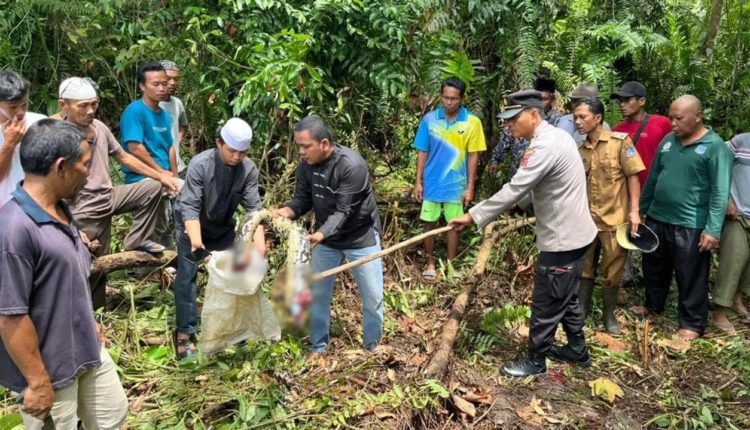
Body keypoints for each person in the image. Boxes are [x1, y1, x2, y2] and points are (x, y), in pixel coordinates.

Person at [451, 90, 597, 377]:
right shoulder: (556, 137)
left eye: (513, 119)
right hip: (576, 234)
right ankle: (577, 350)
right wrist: (519, 206)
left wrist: (473, 216)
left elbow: (516, 187)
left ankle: (536, 361)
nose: (509, 126)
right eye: (506, 121)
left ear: (533, 115)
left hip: (563, 239)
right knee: (565, 296)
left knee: (546, 299)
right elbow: (541, 186)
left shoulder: (544, 146)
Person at [0, 119, 127, 428]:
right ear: (60, 167)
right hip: (50, 369)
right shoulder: (14, 230)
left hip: (86, 350)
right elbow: (10, 315)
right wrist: (38, 382)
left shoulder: (60, 209)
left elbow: (64, 281)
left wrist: (89, 321)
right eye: (85, 164)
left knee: (113, 415)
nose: (89, 172)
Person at [55, 77, 179, 309]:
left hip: (109, 196)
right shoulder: (57, 134)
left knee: (153, 187)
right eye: (83, 106)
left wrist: (161, 175)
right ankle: (89, 314)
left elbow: (124, 157)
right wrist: (67, 221)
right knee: (93, 263)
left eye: (94, 104)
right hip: (82, 207)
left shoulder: (100, 128)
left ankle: (138, 240)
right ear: (64, 105)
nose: (90, 110)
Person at [273, 115, 383, 358]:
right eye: (299, 146)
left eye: (305, 146)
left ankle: (373, 345)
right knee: (318, 294)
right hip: (327, 240)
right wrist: (286, 212)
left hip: (360, 236)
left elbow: (344, 211)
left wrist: (320, 234)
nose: (301, 152)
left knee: (372, 296)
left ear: (324, 144)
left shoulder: (351, 166)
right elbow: (302, 199)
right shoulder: (306, 165)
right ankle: (318, 346)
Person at [632, 95, 733, 341]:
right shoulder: (668, 141)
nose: (673, 123)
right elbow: (654, 177)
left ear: (698, 116)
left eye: (679, 118)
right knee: (654, 267)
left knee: (690, 275)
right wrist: (641, 210)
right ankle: (653, 305)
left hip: (690, 223)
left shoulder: (714, 147)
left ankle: (692, 323)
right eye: (670, 117)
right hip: (657, 218)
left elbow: (720, 191)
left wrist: (713, 230)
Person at [173, 118, 266, 359]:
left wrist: (260, 246)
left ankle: (231, 328)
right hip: (192, 226)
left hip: (223, 227)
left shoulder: (248, 170)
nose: (236, 157)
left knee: (233, 272)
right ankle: (185, 332)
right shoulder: (200, 164)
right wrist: (196, 243)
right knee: (187, 276)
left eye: (242, 152)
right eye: (232, 151)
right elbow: (190, 207)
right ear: (218, 143)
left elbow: (254, 210)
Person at [574, 97, 645, 334]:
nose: (577, 121)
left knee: (612, 271)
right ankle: (581, 312)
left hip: (614, 219)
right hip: (586, 220)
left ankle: (608, 317)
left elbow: (633, 176)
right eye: (575, 117)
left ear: (598, 118)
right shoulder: (581, 148)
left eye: (582, 117)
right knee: (584, 268)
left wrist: (634, 211)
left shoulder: (620, 143)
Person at [413, 77, 486, 281]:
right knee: (429, 223)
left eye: (454, 98)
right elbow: (422, 152)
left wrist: (470, 186)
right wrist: (418, 181)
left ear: (462, 98)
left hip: (456, 184)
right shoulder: (429, 120)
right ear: (441, 96)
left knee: (454, 225)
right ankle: (430, 263)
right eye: (445, 97)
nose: (449, 102)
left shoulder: (472, 122)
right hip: (432, 183)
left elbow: (473, 156)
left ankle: (451, 266)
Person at [120, 62, 177, 248]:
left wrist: (174, 176)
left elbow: (170, 147)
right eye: (155, 84)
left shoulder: (163, 114)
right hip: (143, 179)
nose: (162, 88)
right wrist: (160, 172)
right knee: (152, 229)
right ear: (142, 86)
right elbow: (135, 147)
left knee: (168, 224)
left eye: (164, 83)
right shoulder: (134, 111)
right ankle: (143, 271)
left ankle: (165, 268)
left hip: (165, 178)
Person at [711, 133, 750, 334]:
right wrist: (726, 199)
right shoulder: (740, 142)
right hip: (738, 214)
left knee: (747, 266)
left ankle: (737, 300)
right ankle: (719, 311)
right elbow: (718, 168)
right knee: (733, 260)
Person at [489, 77, 561, 181]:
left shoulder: (557, 120)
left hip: (541, 177)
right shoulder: (522, 116)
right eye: (538, 99)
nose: (541, 103)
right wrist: (495, 159)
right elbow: (506, 137)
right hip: (517, 173)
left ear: (552, 100)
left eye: (545, 99)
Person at [610, 81, 672, 187]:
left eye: (627, 100)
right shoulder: (617, 130)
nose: (622, 105)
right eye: (620, 101)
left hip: (656, 188)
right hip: (628, 190)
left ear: (642, 101)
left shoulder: (662, 123)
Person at [0, 70, 46, 206]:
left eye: (24, 104)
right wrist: (9, 144)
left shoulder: (39, 123)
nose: (20, 112)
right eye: (12, 107)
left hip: (37, 204)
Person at [159, 60, 189, 177]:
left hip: (178, 165)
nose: (172, 83)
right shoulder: (151, 105)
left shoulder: (177, 103)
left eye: (176, 79)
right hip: (159, 168)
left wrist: (177, 140)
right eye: (168, 78)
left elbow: (184, 125)